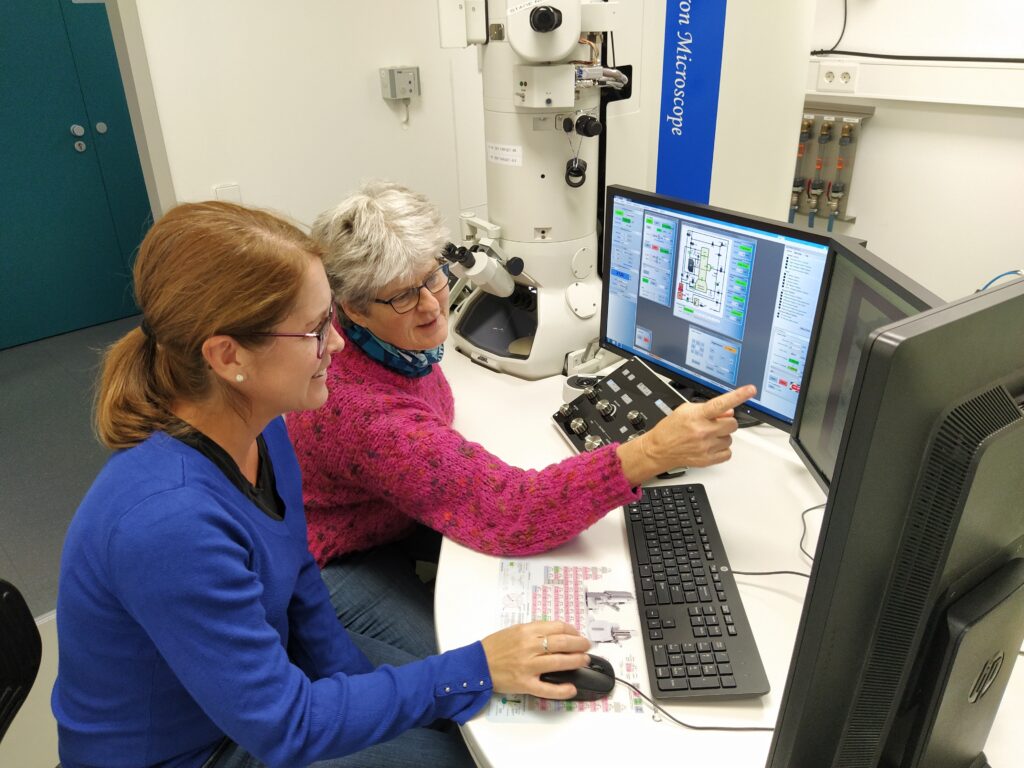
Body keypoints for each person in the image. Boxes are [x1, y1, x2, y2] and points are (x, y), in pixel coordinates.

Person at [51, 201, 592, 768]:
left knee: (463, 718)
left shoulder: (260, 431)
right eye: (314, 330)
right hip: (197, 752)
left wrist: (417, 694)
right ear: (227, 355)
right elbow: (288, 727)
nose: (335, 343)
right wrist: (472, 670)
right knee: (459, 749)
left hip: (252, 698)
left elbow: (301, 586)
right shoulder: (167, 522)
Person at [287, 181, 757, 660]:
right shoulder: (365, 413)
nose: (431, 306)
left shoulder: (385, 342)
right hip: (337, 563)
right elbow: (509, 511)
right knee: (459, 694)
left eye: (433, 278)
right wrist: (651, 452)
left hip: (390, 517)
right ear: (352, 308)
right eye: (403, 297)